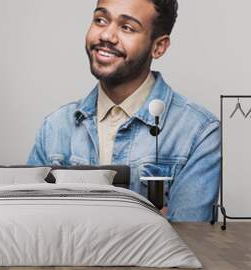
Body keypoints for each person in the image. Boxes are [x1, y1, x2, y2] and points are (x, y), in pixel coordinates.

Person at [27, 0, 220, 222]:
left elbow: (187, 242)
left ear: (158, 47)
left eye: (127, 27)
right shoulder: (55, 126)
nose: (107, 35)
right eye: (100, 20)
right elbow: (34, 229)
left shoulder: (199, 132)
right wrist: (151, 222)